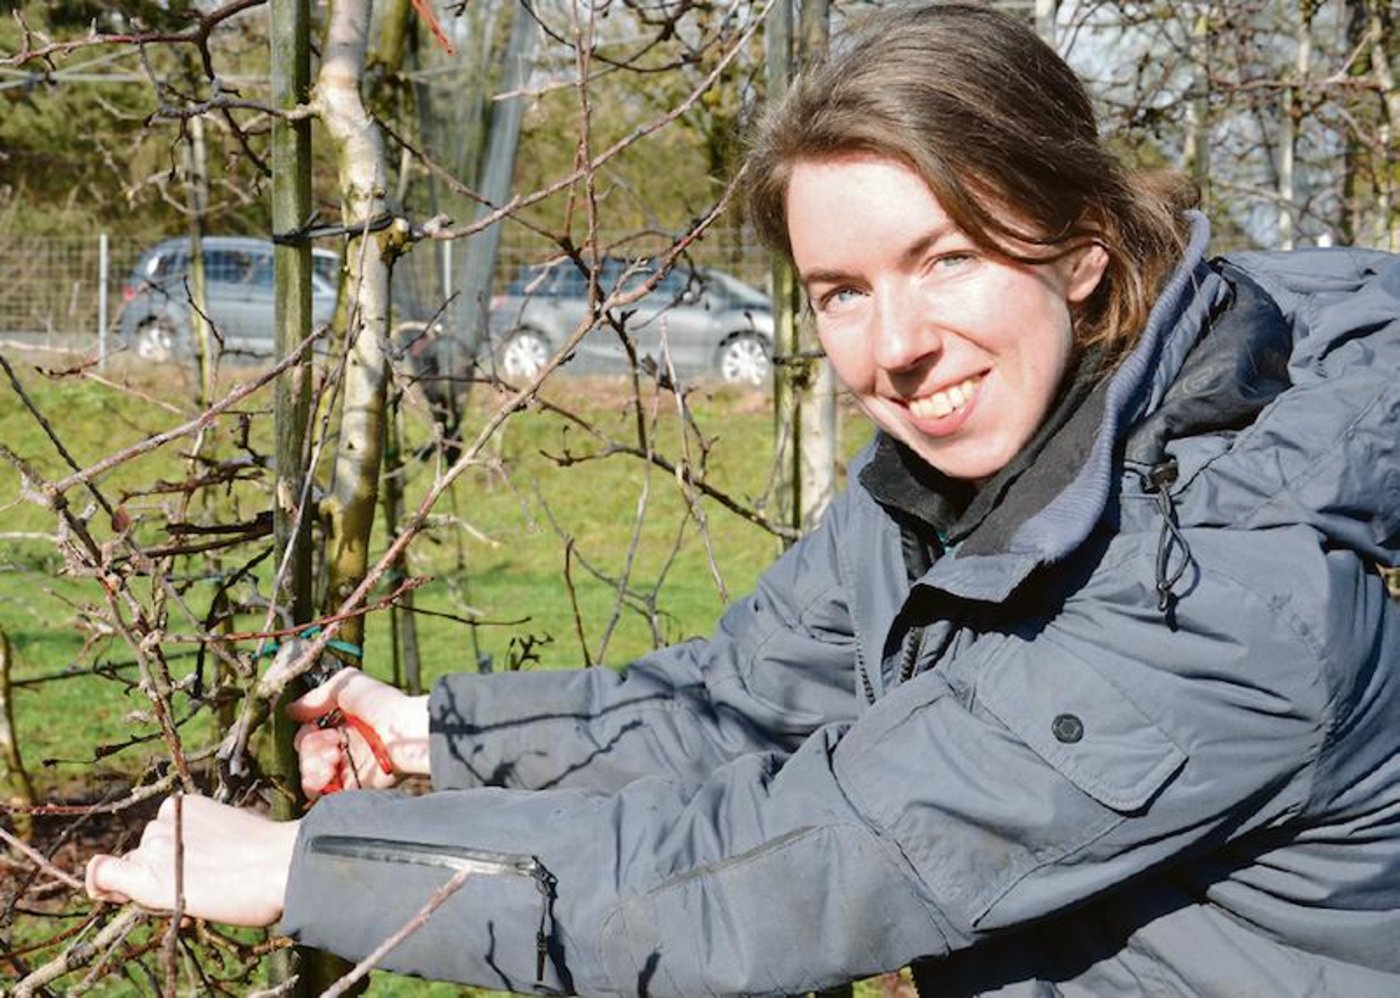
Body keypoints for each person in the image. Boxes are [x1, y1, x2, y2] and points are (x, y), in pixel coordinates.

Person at [86, 4, 1400, 995]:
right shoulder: (957, 485)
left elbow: (784, 865)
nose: (893, 346)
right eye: (840, 291)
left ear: (1080, 253)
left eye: (944, 257)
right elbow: (744, 696)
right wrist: (430, 733)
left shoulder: (1226, 593)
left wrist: (302, 870)